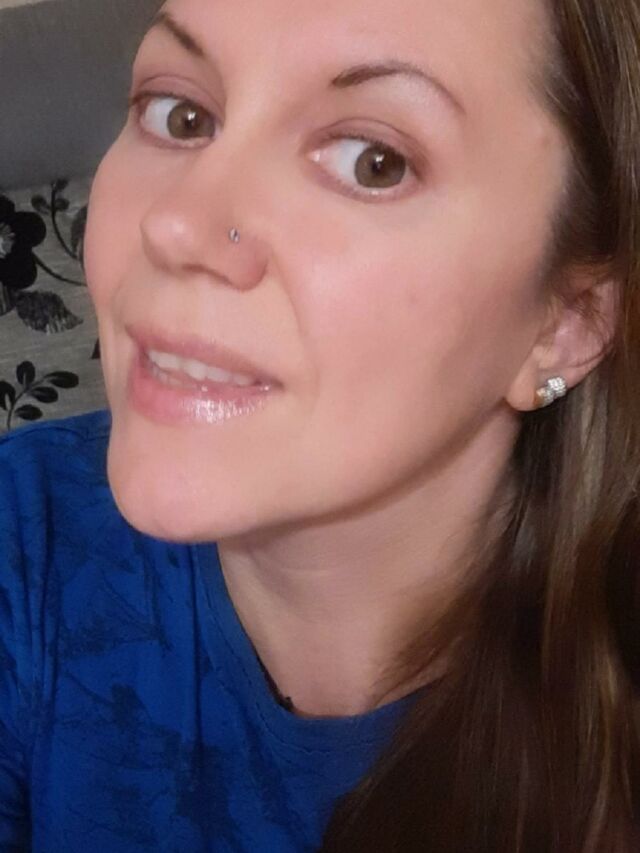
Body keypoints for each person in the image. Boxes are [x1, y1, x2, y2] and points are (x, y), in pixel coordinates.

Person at [1, 0, 639, 849]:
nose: (177, 223)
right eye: (180, 114)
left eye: (373, 162)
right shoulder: (22, 535)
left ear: (568, 322)